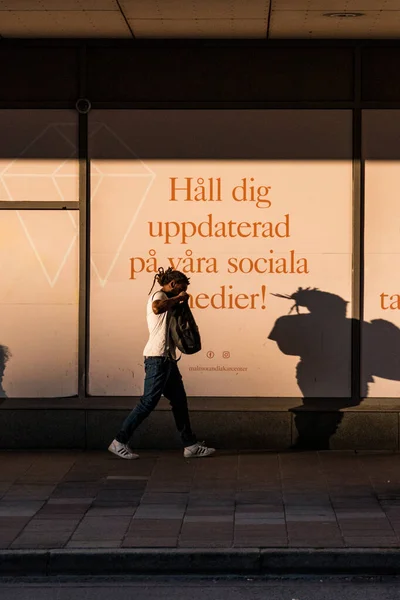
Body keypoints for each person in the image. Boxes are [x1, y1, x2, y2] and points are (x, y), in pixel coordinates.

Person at [108, 267, 215, 460]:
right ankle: (119, 441)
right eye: (180, 288)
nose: (183, 293)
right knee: (148, 402)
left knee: (180, 402)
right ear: (172, 284)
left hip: (168, 360)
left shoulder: (169, 299)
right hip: (157, 359)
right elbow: (158, 307)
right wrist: (177, 299)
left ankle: (190, 445)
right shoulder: (159, 295)